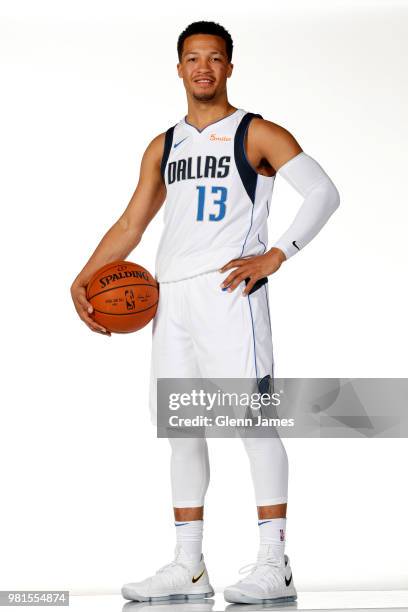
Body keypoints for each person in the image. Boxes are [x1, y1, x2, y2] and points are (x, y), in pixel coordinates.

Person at [70, 20, 340, 606]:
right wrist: (84, 278)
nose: (203, 68)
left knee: (253, 422)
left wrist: (277, 254)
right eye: (192, 58)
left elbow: (323, 192)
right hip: (172, 299)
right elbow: (131, 225)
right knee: (182, 430)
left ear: (229, 67)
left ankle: (276, 562)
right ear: (178, 67)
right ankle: (188, 566)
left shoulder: (256, 133)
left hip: (230, 296)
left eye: (214, 58)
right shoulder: (164, 145)